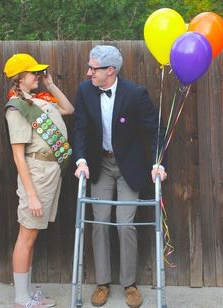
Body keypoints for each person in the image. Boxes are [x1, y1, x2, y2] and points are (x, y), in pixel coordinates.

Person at [73, 45, 167, 308]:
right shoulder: (84, 90)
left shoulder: (135, 95)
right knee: (100, 222)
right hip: (99, 164)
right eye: (90, 67)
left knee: (125, 224)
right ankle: (102, 283)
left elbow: (155, 130)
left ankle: (129, 284)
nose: (88, 72)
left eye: (93, 68)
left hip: (129, 167)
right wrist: (80, 159)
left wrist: (158, 163)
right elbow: (79, 127)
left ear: (110, 70)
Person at [4, 53, 74, 308]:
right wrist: (31, 194)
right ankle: (21, 298)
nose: (38, 75)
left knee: (32, 235)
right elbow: (18, 156)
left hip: (49, 171)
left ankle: (28, 292)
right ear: (20, 78)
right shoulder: (17, 107)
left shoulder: (40, 100)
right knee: (27, 235)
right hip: (36, 173)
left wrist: (51, 84)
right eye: (34, 73)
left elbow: (69, 109)